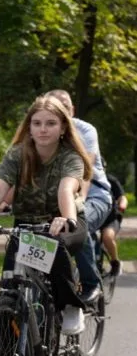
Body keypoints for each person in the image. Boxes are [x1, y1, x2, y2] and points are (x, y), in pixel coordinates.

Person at [0, 94, 92, 356]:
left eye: (51, 123)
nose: (43, 129)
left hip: (65, 223)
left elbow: (66, 190)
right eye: (37, 123)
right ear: (29, 127)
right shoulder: (17, 155)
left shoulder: (70, 156)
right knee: (9, 292)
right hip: (27, 227)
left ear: (63, 127)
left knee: (56, 245)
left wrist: (66, 219)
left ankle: (71, 306)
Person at [44, 90, 111, 301]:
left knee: (79, 224)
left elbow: (84, 171)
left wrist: (79, 198)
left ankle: (91, 283)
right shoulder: (41, 132)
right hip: (57, 197)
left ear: (72, 110)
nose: (61, 109)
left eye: (65, 106)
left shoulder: (86, 131)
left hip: (94, 195)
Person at [100, 169, 128, 276]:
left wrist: (122, 206)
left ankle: (115, 263)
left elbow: (122, 197)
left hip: (111, 219)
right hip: (93, 219)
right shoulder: (82, 179)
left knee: (107, 236)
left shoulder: (110, 180)